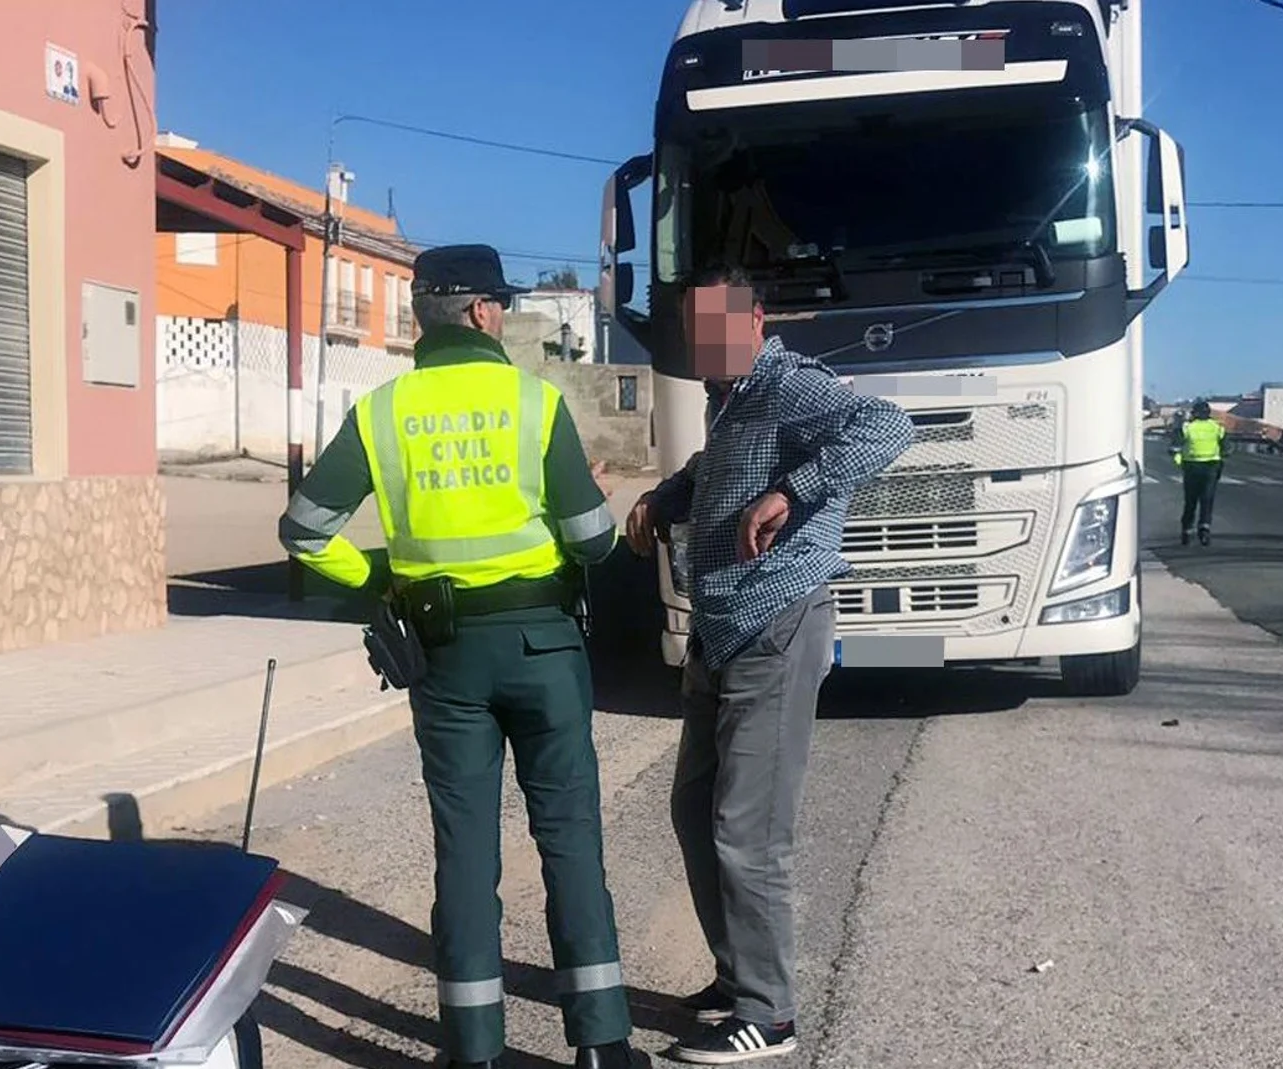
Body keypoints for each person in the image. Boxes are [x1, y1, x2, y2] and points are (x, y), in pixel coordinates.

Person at [278, 244, 640, 1069]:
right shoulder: (531, 401)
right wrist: (584, 500)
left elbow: (302, 532)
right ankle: (602, 1045)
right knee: (570, 839)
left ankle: (473, 1050)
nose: (503, 317)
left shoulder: (381, 412)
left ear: (422, 317)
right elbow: (593, 542)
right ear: (482, 312)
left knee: (465, 849)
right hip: (543, 646)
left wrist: (380, 575)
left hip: (441, 655)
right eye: (500, 306)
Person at [623, 267, 913, 1064]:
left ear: (757, 322)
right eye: (693, 327)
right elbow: (717, 475)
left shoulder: (790, 387)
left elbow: (889, 427)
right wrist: (668, 495)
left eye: (717, 325)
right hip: (721, 633)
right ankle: (738, 977)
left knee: (748, 829)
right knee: (693, 810)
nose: (703, 342)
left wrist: (795, 490)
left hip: (778, 625)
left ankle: (771, 1014)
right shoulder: (730, 399)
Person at [1173, 399, 1226, 546]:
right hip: (1211, 467)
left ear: (1194, 413)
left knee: (1190, 501)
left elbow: (1175, 446)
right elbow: (1227, 448)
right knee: (1206, 500)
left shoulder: (1187, 427)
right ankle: (1204, 529)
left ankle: (1187, 530)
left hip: (1191, 467)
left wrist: (1179, 459)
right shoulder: (1217, 427)